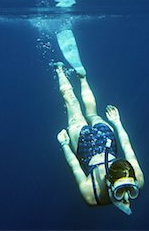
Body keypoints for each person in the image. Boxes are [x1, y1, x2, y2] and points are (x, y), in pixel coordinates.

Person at [55, 62, 144, 215]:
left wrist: (116, 123)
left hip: (105, 138)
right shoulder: (91, 195)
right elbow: (73, 165)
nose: (126, 199)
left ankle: (79, 77)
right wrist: (64, 144)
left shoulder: (137, 179)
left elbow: (126, 145)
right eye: (123, 191)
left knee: (85, 110)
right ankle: (60, 71)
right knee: (73, 104)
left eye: (130, 191)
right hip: (86, 144)